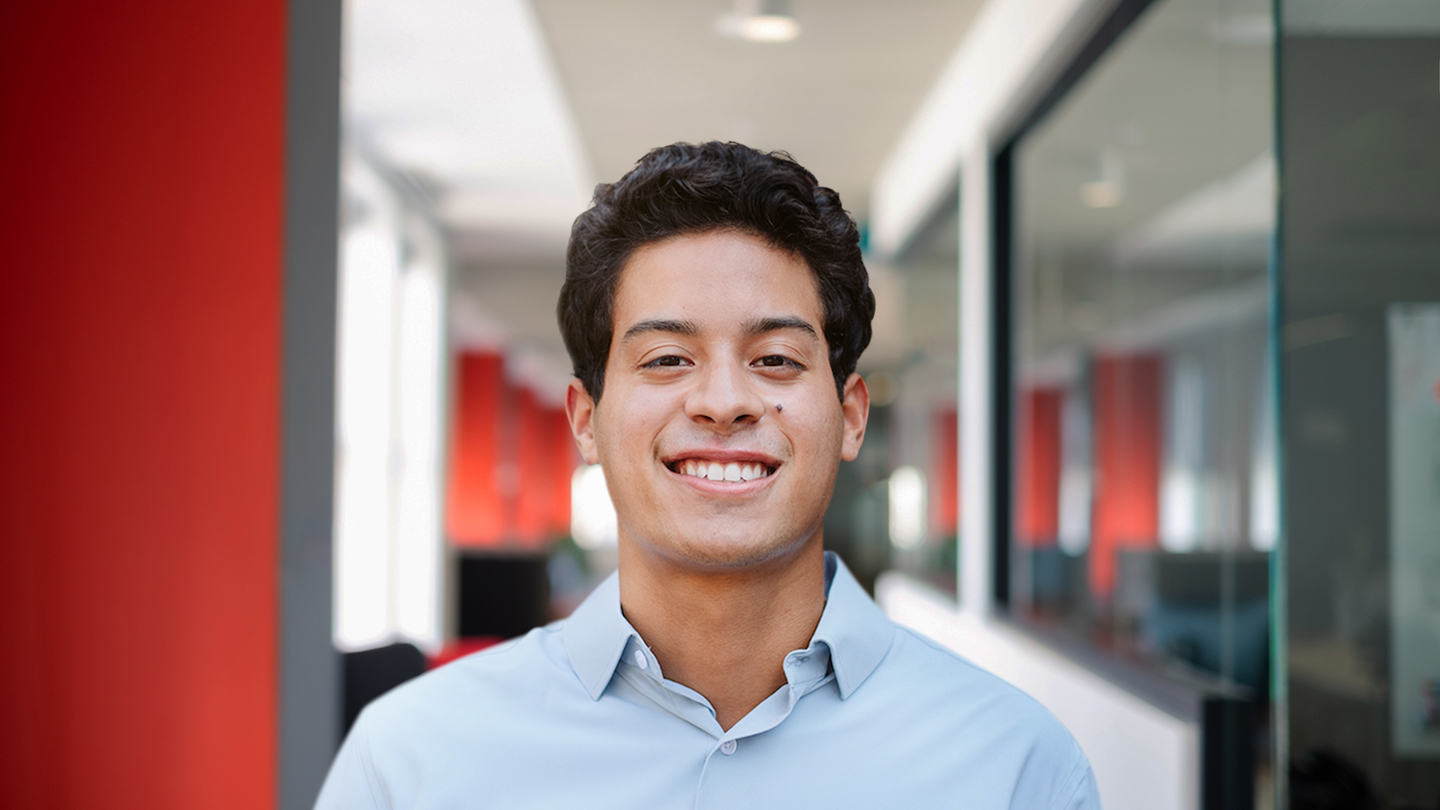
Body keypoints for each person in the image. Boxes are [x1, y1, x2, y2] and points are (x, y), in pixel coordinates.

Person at [315, 142, 1100, 809]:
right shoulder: (410, 765)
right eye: (666, 359)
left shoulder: (1016, 769)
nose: (724, 401)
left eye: (775, 360)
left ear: (851, 416)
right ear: (585, 419)